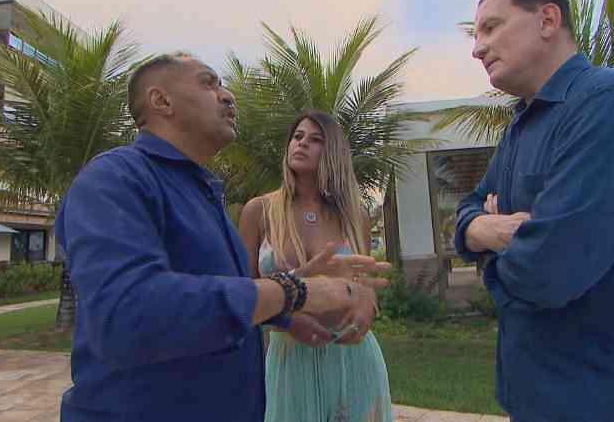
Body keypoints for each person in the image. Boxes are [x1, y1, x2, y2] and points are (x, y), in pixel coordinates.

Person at [56, 52, 384, 422]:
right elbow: (127, 314)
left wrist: (286, 318)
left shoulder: (204, 196)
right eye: (208, 83)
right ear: (161, 101)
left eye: (223, 85)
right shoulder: (114, 178)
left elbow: (222, 295)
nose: (227, 95)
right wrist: (296, 291)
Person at [454, 0, 614, 422]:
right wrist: (483, 229)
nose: (478, 49)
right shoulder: (521, 125)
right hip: (530, 399)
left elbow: (549, 270)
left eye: (491, 28)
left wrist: (492, 253)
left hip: (605, 402)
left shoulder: (613, 104)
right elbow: (468, 209)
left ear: (547, 19)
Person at [239, 110, 393, 422]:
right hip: (290, 358)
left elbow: (364, 290)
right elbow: (241, 296)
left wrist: (367, 310)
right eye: (297, 137)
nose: (302, 143)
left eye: (315, 139)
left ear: (332, 151)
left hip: (352, 357)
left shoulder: (354, 215)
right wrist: (293, 301)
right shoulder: (260, 211)